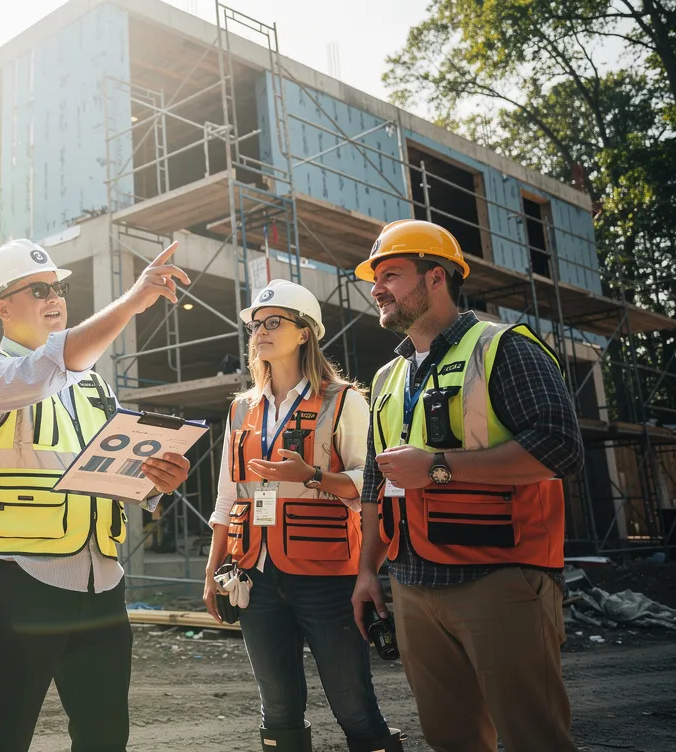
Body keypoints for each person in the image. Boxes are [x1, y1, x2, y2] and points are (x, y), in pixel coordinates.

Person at [0, 239, 193, 752]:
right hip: (19, 579)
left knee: (105, 737)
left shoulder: (93, 387)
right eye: (38, 289)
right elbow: (43, 368)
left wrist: (153, 483)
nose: (54, 297)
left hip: (101, 583)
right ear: (2, 305)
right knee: (4, 733)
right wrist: (130, 302)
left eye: (58, 287)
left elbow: (113, 475)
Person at [350, 219, 583, 752]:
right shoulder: (388, 378)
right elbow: (373, 482)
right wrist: (367, 570)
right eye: (375, 278)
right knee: (450, 740)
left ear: (436, 278)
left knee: (535, 737)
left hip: (500, 577)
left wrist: (438, 468)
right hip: (411, 584)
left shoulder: (503, 347)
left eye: (391, 274)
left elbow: (560, 448)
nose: (376, 288)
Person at [203, 279, 403, 751]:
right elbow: (228, 498)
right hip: (254, 575)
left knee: (354, 704)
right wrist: (213, 570)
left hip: (328, 575)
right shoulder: (240, 410)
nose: (261, 332)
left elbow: (368, 485)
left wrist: (313, 475)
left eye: (274, 322)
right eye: (256, 325)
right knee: (277, 708)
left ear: (305, 332)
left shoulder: (344, 400)